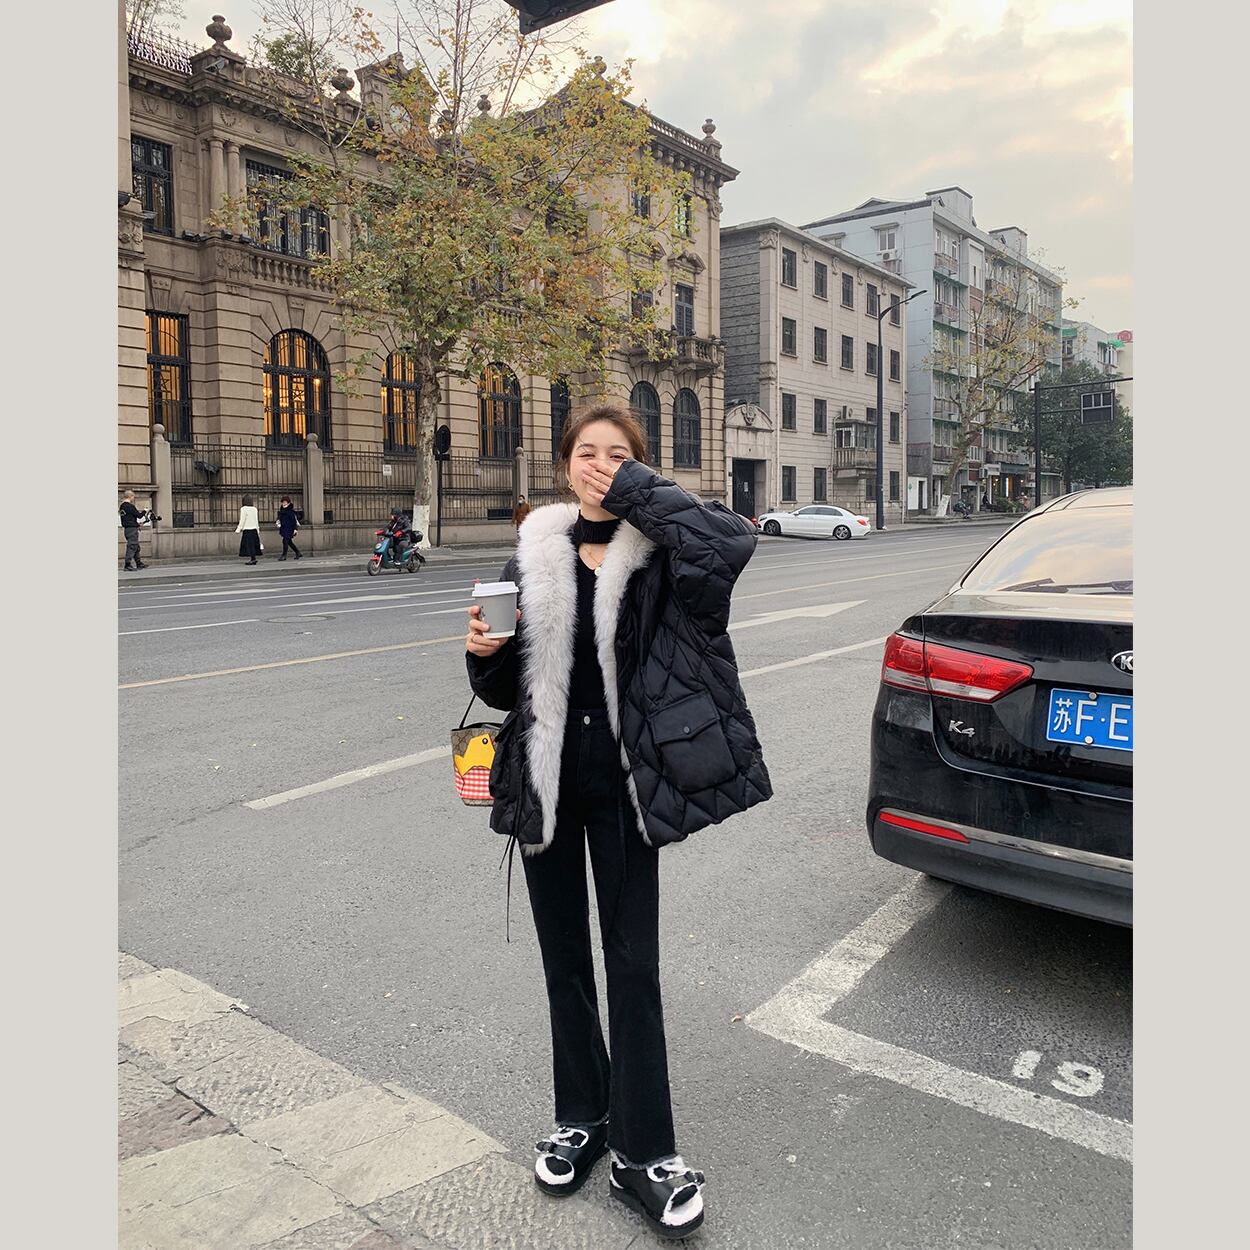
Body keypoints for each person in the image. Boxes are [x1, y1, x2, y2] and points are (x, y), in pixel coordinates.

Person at [465, 399, 772, 1240]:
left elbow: (730, 543)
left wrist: (634, 492)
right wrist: (483, 655)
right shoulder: (534, 555)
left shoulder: (667, 554)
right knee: (564, 961)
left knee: (634, 966)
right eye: (586, 453)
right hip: (548, 783)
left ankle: (645, 1151)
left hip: (632, 786)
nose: (599, 465)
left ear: (639, 467)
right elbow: (511, 691)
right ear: (563, 464)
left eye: (617, 454)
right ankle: (582, 1117)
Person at [119, 490, 148, 571]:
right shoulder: (130, 506)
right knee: (132, 546)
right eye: (133, 497)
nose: (133, 498)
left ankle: (139, 563)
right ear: (130, 496)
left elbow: (129, 519)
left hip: (127, 529)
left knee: (136, 546)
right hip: (132, 530)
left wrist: (137, 525)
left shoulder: (122, 506)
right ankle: (127, 565)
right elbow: (139, 515)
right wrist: (145, 511)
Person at [236, 495, 262, 565]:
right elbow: (256, 520)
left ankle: (253, 559)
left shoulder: (243, 509)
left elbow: (242, 519)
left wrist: (238, 529)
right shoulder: (254, 509)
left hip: (247, 529)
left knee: (249, 545)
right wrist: (258, 529)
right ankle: (253, 558)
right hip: (254, 529)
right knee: (253, 545)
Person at [277, 496, 302, 561]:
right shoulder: (282, 511)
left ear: (288, 503)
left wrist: (295, 529)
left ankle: (284, 555)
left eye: (285, 502)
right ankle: (298, 552)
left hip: (290, 528)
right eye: (283, 502)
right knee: (289, 542)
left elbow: (294, 521)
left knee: (285, 541)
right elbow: (280, 518)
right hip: (284, 528)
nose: (284, 503)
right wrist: (278, 521)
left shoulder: (291, 511)